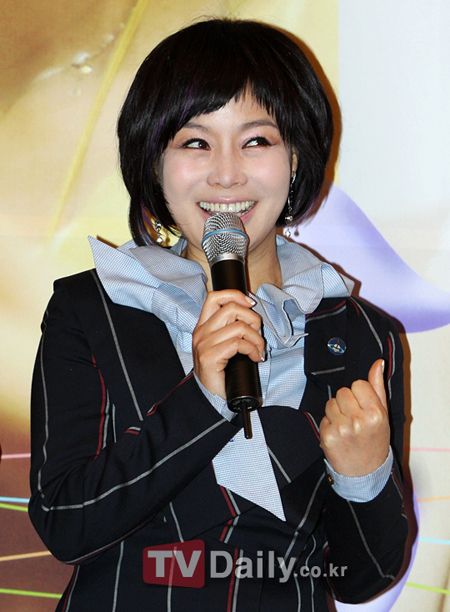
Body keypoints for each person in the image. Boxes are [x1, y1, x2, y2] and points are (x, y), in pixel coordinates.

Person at [29, 18, 407, 612]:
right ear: (154, 161)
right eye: (195, 143)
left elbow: (363, 578)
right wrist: (202, 399)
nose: (227, 173)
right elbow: (66, 522)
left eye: (256, 141)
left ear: (296, 157)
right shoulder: (93, 309)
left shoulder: (360, 333)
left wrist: (363, 475)